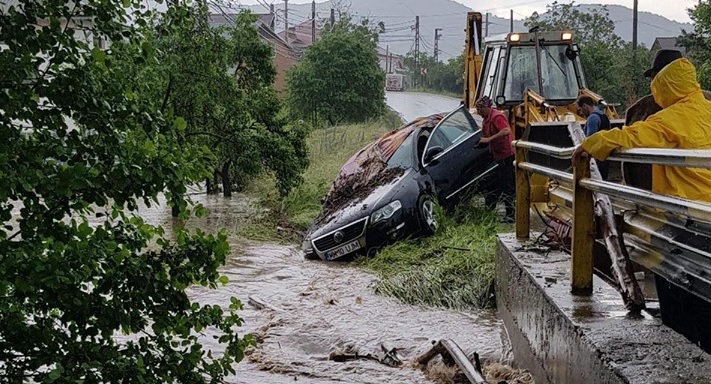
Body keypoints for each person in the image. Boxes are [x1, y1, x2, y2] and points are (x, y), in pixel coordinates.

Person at [572, 57, 711, 202]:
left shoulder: (669, 119)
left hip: (690, 207)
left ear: (663, 87)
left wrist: (590, 143)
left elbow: (631, 136)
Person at [476, 96, 515, 222]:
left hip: (507, 156)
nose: (478, 112)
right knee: (494, 184)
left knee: (507, 186)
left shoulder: (496, 116)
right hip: (497, 156)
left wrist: (489, 139)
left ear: (486, 108)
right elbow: (484, 134)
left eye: (479, 109)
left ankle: (511, 215)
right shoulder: (486, 120)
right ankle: (489, 212)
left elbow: (506, 130)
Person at [576, 96, 611, 180]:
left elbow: (590, 140)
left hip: (596, 160)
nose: (581, 113)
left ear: (585, 106)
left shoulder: (592, 118)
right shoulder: (604, 116)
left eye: (580, 109)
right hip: (605, 155)